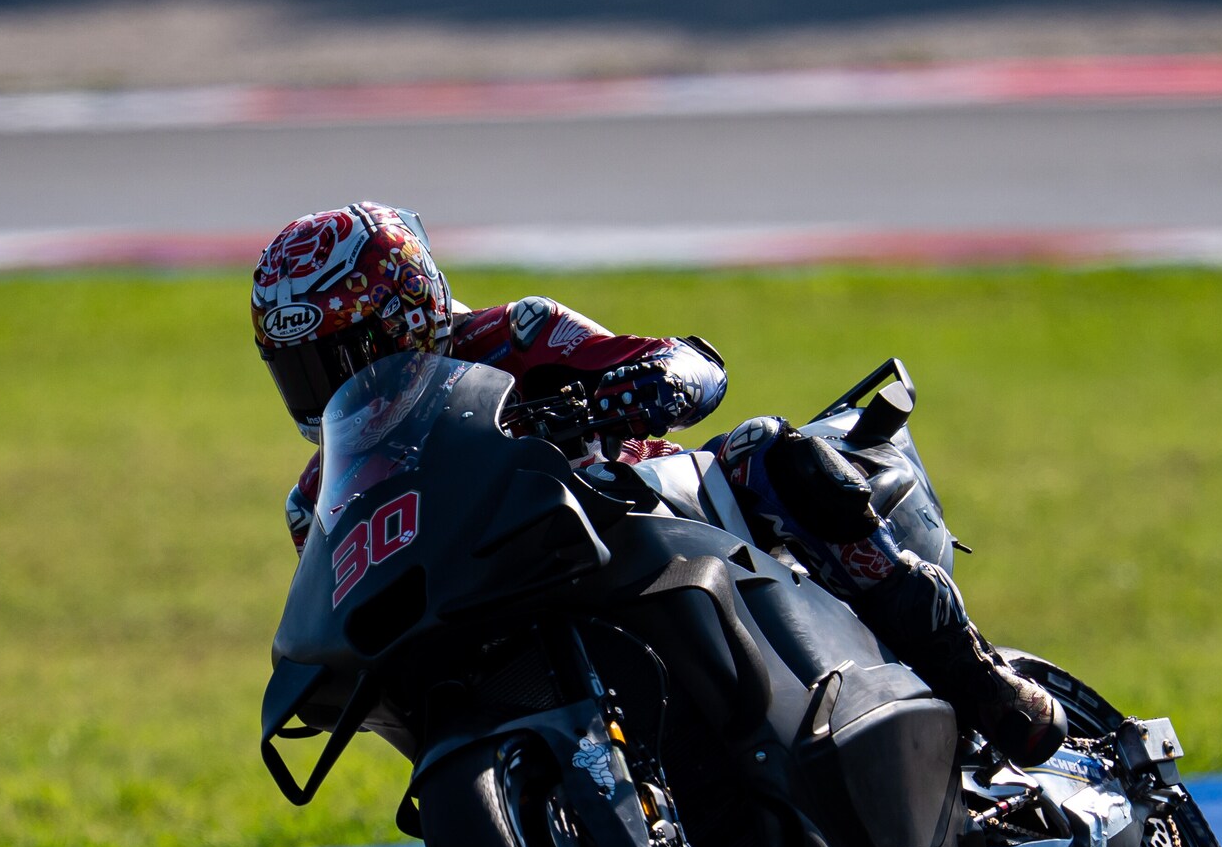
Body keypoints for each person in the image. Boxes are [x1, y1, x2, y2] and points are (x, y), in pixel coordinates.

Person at [253, 201, 1067, 767]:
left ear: (409, 309)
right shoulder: (315, 493)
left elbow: (683, 364)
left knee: (768, 452)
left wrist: (629, 391)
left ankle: (975, 675)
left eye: (347, 356)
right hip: (503, 608)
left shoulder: (515, 332)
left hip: (652, 517)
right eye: (302, 369)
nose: (329, 386)